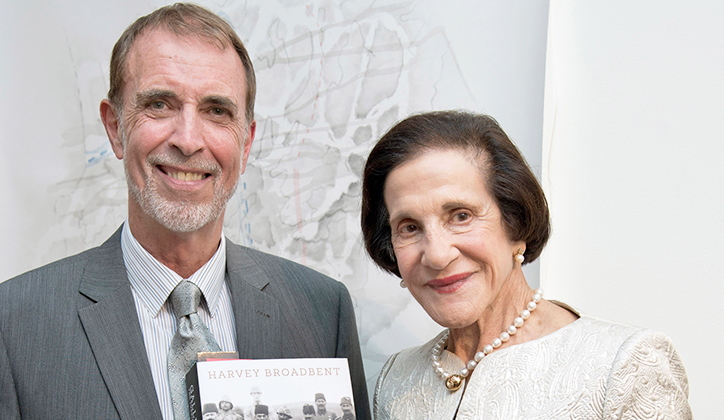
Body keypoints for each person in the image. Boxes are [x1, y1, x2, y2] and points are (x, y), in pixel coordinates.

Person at [0, 4, 369, 420]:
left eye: (217, 111)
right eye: (159, 104)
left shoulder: (323, 310)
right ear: (115, 127)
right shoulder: (14, 326)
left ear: (245, 144)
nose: (189, 140)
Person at [361, 111, 692, 419]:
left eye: (461, 216)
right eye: (409, 227)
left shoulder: (622, 364)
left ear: (515, 223)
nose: (436, 254)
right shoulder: (395, 380)